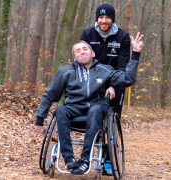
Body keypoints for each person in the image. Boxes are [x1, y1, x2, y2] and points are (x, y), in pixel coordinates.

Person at [35, 32, 144, 175]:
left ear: (93, 53)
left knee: (96, 109)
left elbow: (128, 79)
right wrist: (39, 120)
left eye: (85, 49)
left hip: (97, 108)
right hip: (72, 108)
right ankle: (69, 160)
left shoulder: (105, 70)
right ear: (75, 57)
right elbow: (50, 95)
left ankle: (85, 160)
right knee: (60, 109)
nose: (82, 52)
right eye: (78, 51)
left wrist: (135, 53)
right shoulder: (65, 72)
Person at [80, 3, 130, 119]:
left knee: (113, 117)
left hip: (115, 80)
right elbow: (82, 61)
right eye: (101, 17)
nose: (104, 21)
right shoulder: (87, 34)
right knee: (92, 115)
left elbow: (122, 66)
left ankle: (113, 134)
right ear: (97, 19)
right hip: (92, 80)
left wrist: (113, 86)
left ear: (112, 19)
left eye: (107, 17)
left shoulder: (123, 36)